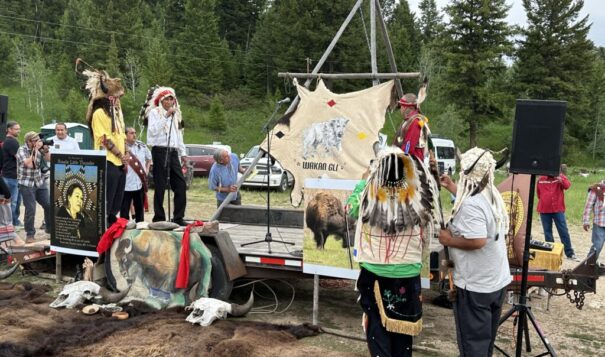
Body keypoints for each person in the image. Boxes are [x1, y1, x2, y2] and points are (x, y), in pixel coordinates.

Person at [347, 147, 440, 357]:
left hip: (375, 272)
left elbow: (350, 209)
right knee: (403, 334)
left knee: (378, 333)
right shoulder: (418, 197)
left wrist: (362, 182)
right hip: (408, 273)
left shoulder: (367, 195)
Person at [438, 147, 511, 357]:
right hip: (495, 282)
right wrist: (453, 188)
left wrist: (449, 240)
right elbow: (476, 208)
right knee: (484, 342)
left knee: (473, 345)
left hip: (476, 286)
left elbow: (478, 240)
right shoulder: (490, 195)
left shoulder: (471, 204)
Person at [84, 69, 129, 226]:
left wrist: (127, 155)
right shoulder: (99, 114)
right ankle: (103, 226)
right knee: (107, 198)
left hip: (119, 161)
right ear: (108, 98)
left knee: (118, 197)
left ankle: (111, 221)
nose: (118, 101)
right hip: (108, 160)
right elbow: (104, 139)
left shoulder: (117, 114)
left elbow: (122, 136)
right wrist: (120, 155)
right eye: (116, 98)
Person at [146, 87, 187, 225]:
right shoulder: (154, 112)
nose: (170, 101)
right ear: (161, 101)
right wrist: (166, 116)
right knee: (160, 184)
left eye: (172, 99)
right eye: (167, 99)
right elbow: (152, 131)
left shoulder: (176, 115)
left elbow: (178, 135)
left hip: (173, 152)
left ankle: (178, 217)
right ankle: (159, 217)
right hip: (160, 151)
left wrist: (183, 153)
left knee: (180, 184)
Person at [536, 166, 578, 260]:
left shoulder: (560, 176)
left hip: (558, 209)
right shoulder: (541, 179)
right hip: (544, 210)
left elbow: (567, 186)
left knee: (563, 231)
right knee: (547, 232)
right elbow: (539, 193)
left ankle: (569, 253)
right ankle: (551, 253)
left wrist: (560, 179)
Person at [16, 132, 51, 243]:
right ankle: (30, 234)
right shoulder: (21, 150)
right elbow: (29, 164)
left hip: (39, 182)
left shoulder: (39, 148)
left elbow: (49, 159)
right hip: (26, 184)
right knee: (31, 209)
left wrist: (45, 150)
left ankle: (50, 230)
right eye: (35, 140)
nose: (37, 142)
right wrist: (35, 150)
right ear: (28, 141)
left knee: (48, 205)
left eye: (38, 140)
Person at [120, 127, 151, 223]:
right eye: (131, 133)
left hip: (139, 183)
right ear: (125, 135)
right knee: (124, 213)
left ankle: (139, 231)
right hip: (125, 185)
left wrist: (146, 170)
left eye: (135, 133)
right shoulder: (120, 147)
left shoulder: (141, 146)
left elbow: (149, 159)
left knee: (139, 213)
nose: (134, 135)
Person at [393, 93, 430, 161]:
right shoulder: (409, 121)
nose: (400, 109)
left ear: (405, 107)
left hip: (413, 163)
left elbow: (408, 149)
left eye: (401, 106)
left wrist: (396, 157)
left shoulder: (415, 122)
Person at [2, 121, 22, 227]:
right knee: (12, 202)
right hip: (11, 176)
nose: (19, 131)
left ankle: (15, 222)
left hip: (10, 175)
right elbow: (19, 158)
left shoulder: (9, 141)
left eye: (19, 129)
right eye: (16, 129)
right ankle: (9, 224)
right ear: (9, 129)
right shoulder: (11, 142)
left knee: (16, 201)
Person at [582, 181, 605, 265]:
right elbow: (588, 206)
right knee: (597, 247)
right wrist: (585, 221)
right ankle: (587, 268)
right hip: (600, 223)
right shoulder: (596, 189)